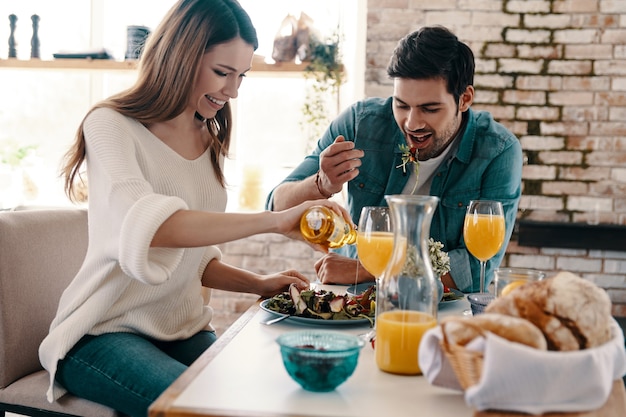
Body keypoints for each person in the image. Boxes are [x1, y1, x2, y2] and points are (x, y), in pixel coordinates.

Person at [38, 1, 351, 416]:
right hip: (101, 334)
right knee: (204, 409)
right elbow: (158, 228)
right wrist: (275, 221)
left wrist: (260, 283)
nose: (233, 90)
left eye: (242, 76)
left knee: (267, 394)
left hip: (180, 330)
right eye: (223, 73)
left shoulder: (208, 136)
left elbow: (191, 260)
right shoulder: (109, 125)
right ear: (179, 56)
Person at [266, 25, 523, 293]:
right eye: (401, 105)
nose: (412, 123)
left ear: (464, 99)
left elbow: (475, 269)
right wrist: (322, 184)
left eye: (429, 108)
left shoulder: (498, 151)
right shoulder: (358, 125)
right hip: (358, 305)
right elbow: (275, 207)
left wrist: (366, 270)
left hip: (443, 313)